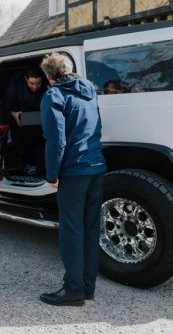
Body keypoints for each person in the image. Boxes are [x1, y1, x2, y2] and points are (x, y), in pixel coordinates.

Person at [38, 53, 106, 307]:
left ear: (49, 76)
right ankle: (87, 287)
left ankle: (73, 290)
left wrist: (52, 175)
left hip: (74, 172)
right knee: (90, 229)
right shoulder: (89, 90)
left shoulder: (53, 95)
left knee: (71, 230)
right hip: (96, 167)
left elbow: (56, 140)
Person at [4, 66, 47, 175]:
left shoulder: (47, 85)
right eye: (31, 83)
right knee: (22, 141)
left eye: (38, 83)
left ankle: (42, 166)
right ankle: (26, 165)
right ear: (25, 79)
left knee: (41, 143)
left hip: (41, 119)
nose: (35, 87)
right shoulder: (15, 83)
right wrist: (14, 114)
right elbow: (8, 103)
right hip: (20, 119)